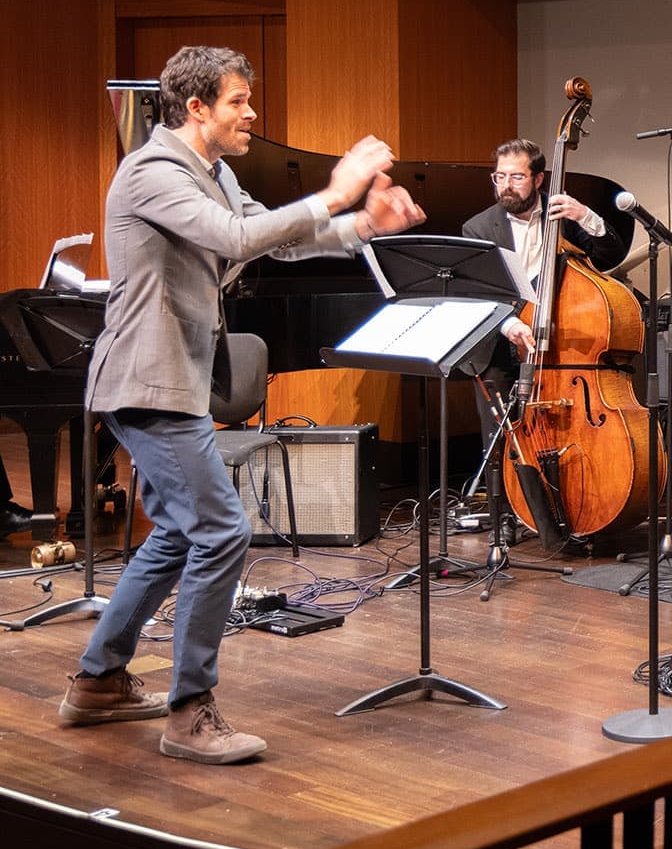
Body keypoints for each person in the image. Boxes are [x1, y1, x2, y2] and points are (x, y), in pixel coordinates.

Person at [58, 46, 424, 762]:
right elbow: (233, 237)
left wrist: (362, 225)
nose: (251, 113)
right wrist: (335, 192)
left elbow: (272, 243)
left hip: (174, 383)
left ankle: (98, 681)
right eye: (237, 101)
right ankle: (189, 711)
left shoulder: (216, 173)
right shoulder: (151, 171)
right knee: (223, 531)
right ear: (196, 108)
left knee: (175, 533)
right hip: (146, 380)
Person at [462, 137, 627, 360]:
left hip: (559, 335)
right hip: (500, 344)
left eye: (517, 177)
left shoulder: (564, 215)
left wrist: (585, 216)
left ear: (538, 179)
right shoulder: (478, 228)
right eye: (500, 176)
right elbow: (477, 291)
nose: (506, 185)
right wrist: (510, 325)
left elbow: (610, 257)